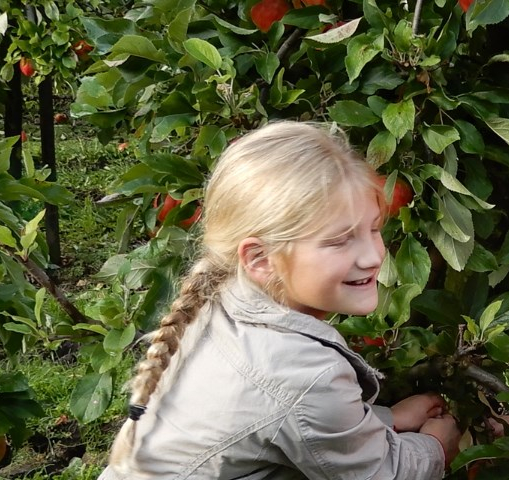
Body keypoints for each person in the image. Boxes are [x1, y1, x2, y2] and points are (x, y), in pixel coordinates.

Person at [101, 121, 459, 479]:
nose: (373, 256)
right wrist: (436, 447)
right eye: (339, 241)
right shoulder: (304, 373)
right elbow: (381, 474)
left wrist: (385, 419)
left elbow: (276, 412)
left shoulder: (218, 298)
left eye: (374, 229)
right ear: (260, 259)